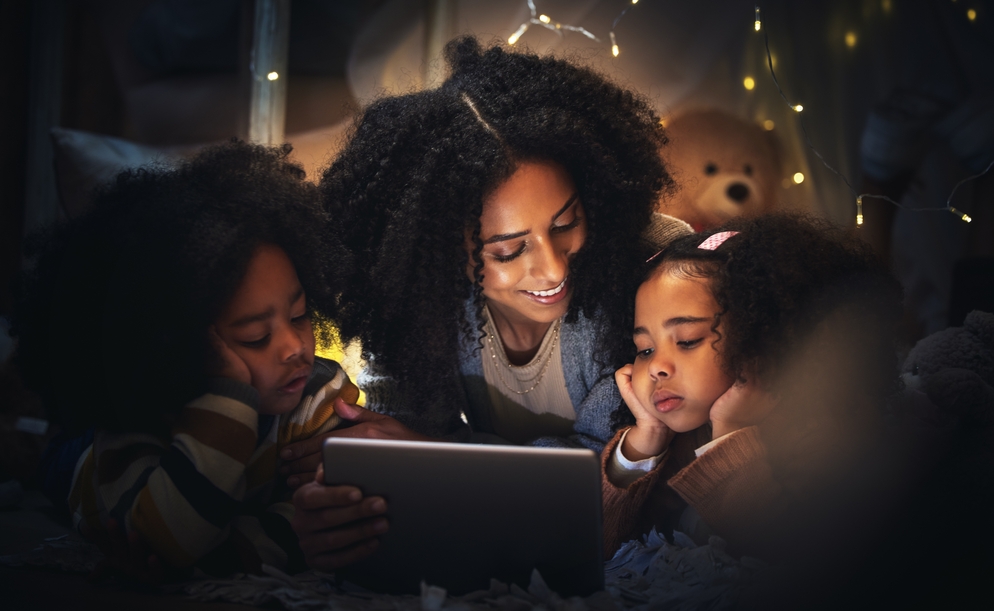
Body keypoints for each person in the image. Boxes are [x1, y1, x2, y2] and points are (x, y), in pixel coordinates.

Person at [284, 35, 673, 570]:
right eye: (509, 250)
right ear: (443, 251)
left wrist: (438, 455)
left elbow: (607, 464)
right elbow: (404, 434)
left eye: (566, 223)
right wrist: (352, 502)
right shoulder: (423, 304)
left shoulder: (645, 277)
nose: (554, 268)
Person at [12, 141, 358, 577]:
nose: (294, 346)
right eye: (255, 337)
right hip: (88, 468)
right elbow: (169, 541)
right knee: (47, 457)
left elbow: (309, 525)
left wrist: (231, 552)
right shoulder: (133, 422)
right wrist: (228, 396)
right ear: (176, 345)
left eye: (299, 314)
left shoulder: (319, 394)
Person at [600, 213, 907, 588]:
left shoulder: (824, 432)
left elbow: (794, 559)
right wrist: (644, 438)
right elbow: (605, 547)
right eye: (644, 349)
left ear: (764, 335)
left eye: (687, 341)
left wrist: (728, 434)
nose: (656, 367)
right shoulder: (675, 435)